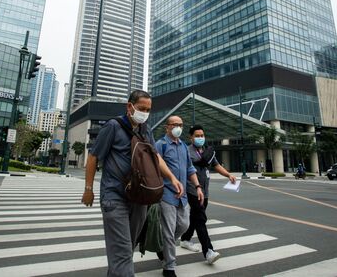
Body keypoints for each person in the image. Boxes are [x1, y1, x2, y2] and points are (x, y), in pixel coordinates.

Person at [81, 90, 183, 277]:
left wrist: (171, 177)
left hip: (139, 197)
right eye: (142, 108)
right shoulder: (113, 126)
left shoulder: (146, 130)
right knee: (122, 252)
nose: (145, 112)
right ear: (130, 106)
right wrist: (88, 189)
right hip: (114, 197)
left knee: (127, 247)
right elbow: (94, 157)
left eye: (148, 109)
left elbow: (155, 156)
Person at [155, 116, 204, 277]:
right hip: (166, 194)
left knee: (183, 225)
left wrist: (197, 187)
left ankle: (162, 246)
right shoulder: (160, 145)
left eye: (180, 125)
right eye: (175, 125)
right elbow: (155, 168)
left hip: (182, 196)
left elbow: (190, 168)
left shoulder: (183, 146)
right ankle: (169, 267)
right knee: (169, 231)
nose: (178, 127)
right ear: (167, 127)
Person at [179, 125, 236, 265]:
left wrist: (228, 174)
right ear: (191, 137)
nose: (200, 138)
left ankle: (185, 239)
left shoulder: (207, 151)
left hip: (205, 191)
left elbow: (216, 165)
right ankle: (208, 251)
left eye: (202, 135)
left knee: (195, 217)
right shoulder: (186, 151)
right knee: (200, 219)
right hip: (193, 189)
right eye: (197, 136)